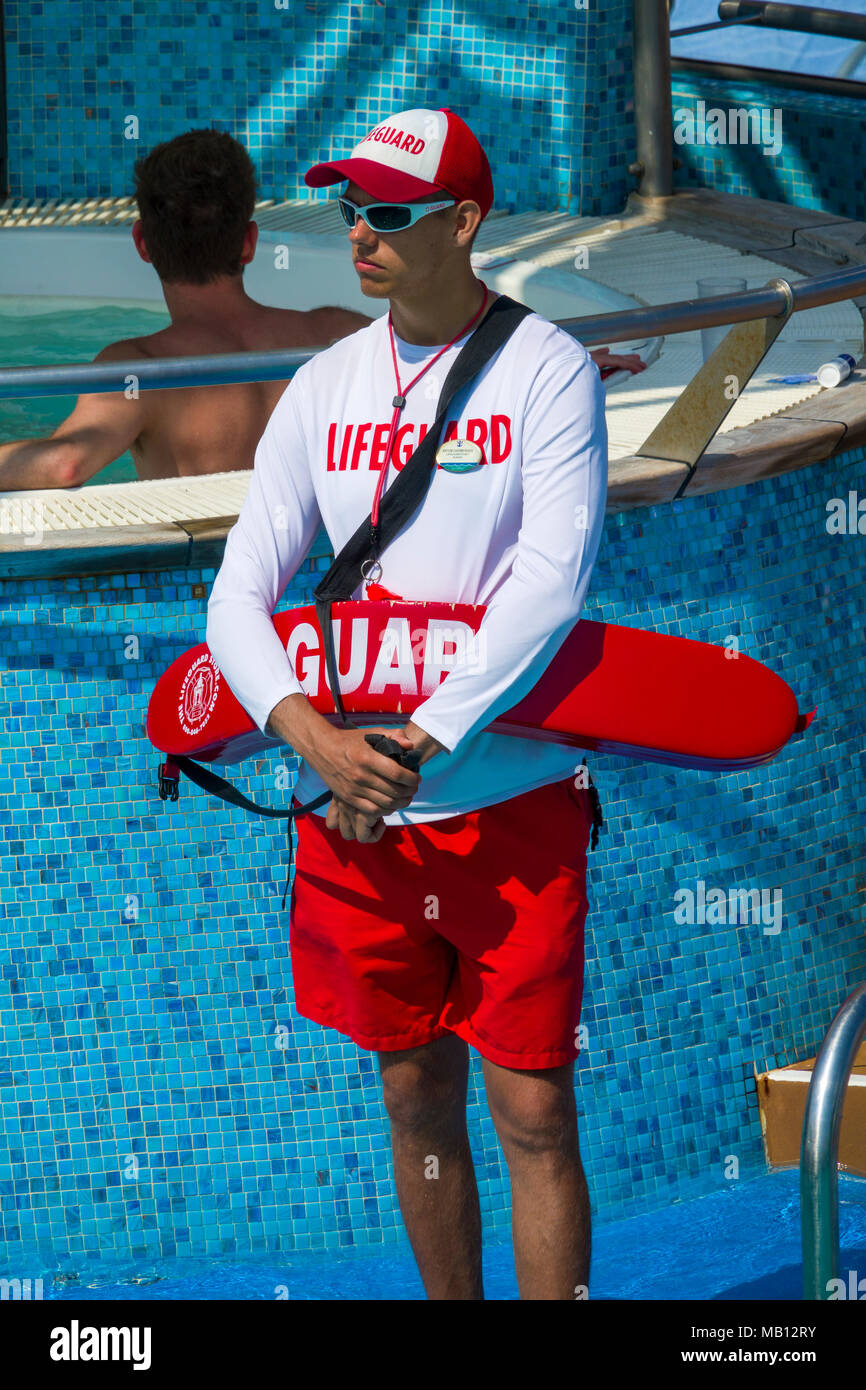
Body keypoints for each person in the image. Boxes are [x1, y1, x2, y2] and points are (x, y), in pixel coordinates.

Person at [206, 105, 609, 1301]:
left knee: (531, 1105)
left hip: (511, 801)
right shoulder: (323, 386)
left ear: (464, 222)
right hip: (347, 807)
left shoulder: (548, 370)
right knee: (411, 1090)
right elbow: (234, 594)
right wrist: (317, 740)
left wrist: (423, 740)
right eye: (348, 211)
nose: (359, 236)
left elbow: (552, 578)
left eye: (388, 213)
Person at [0, 129, 370, 491]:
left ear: (142, 243)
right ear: (250, 243)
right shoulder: (335, 333)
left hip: (208, 550)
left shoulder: (138, 368)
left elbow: (66, 464)